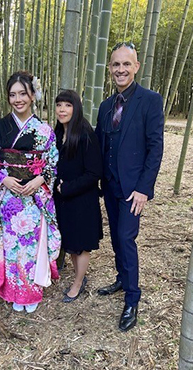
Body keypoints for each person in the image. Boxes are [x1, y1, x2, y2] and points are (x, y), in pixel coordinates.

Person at [95, 42, 164, 331]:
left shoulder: (150, 100)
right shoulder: (106, 105)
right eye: (115, 64)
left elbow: (155, 146)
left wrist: (144, 189)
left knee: (125, 238)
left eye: (126, 64)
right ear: (110, 68)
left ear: (136, 67)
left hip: (133, 188)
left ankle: (132, 298)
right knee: (115, 238)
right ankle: (123, 279)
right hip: (110, 185)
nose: (120, 69)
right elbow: (99, 144)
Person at [0, 71, 61, 313]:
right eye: (12, 94)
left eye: (23, 93)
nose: (18, 99)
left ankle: (31, 292)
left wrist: (39, 179)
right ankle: (12, 291)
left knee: (31, 247)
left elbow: (52, 162)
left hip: (33, 197)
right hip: (8, 196)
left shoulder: (44, 129)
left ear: (33, 95)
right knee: (10, 245)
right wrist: (4, 178)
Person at [54, 90, 103, 303]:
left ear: (76, 108)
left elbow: (94, 173)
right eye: (59, 105)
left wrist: (67, 188)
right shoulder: (56, 133)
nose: (62, 110)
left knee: (81, 244)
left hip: (82, 200)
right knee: (71, 241)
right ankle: (78, 277)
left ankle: (78, 282)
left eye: (67, 105)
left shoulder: (85, 134)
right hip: (63, 200)